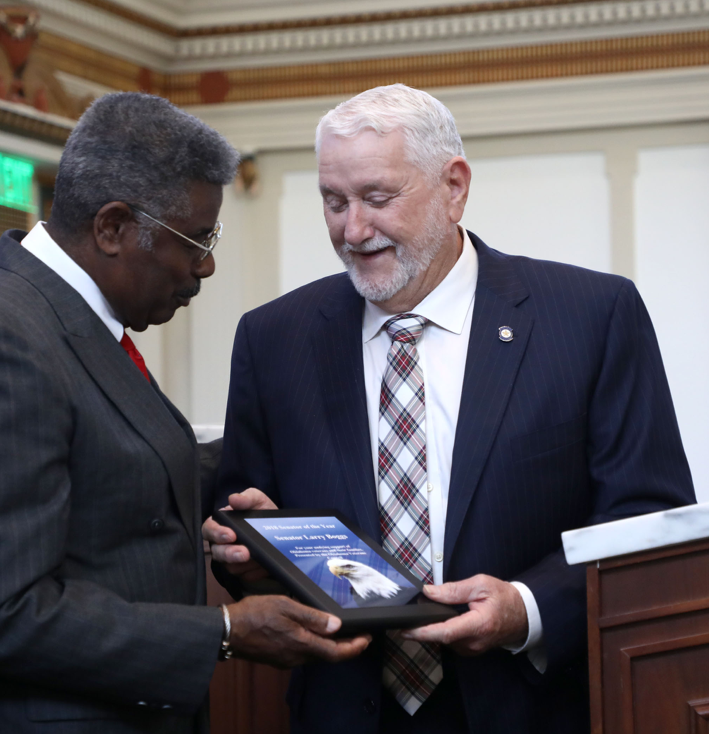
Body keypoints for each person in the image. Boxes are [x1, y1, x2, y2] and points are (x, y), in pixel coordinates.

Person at [205, 84, 695, 734]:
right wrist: (247, 550)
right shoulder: (274, 338)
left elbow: (646, 520)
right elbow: (243, 531)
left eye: (377, 198)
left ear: (453, 187)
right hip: (344, 711)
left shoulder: (589, 317)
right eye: (333, 202)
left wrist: (526, 606)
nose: (352, 229)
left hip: (529, 706)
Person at [0, 93, 368, 734]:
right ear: (112, 228)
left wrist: (242, 500)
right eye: (194, 240)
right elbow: (0, 615)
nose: (206, 266)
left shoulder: (64, 320)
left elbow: (113, 457)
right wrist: (224, 631)